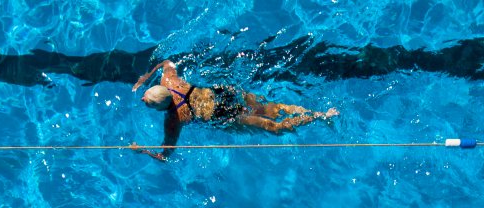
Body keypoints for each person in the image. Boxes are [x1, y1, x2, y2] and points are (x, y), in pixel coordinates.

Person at [130, 60, 339, 161]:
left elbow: (166, 155)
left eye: (148, 102)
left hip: (222, 115)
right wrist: (147, 76)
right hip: (223, 93)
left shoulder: (173, 120)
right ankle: (316, 113)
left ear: (162, 106)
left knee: (274, 127)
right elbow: (168, 62)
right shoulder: (169, 80)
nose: (142, 99)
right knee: (270, 109)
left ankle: (321, 117)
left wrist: (143, 151)